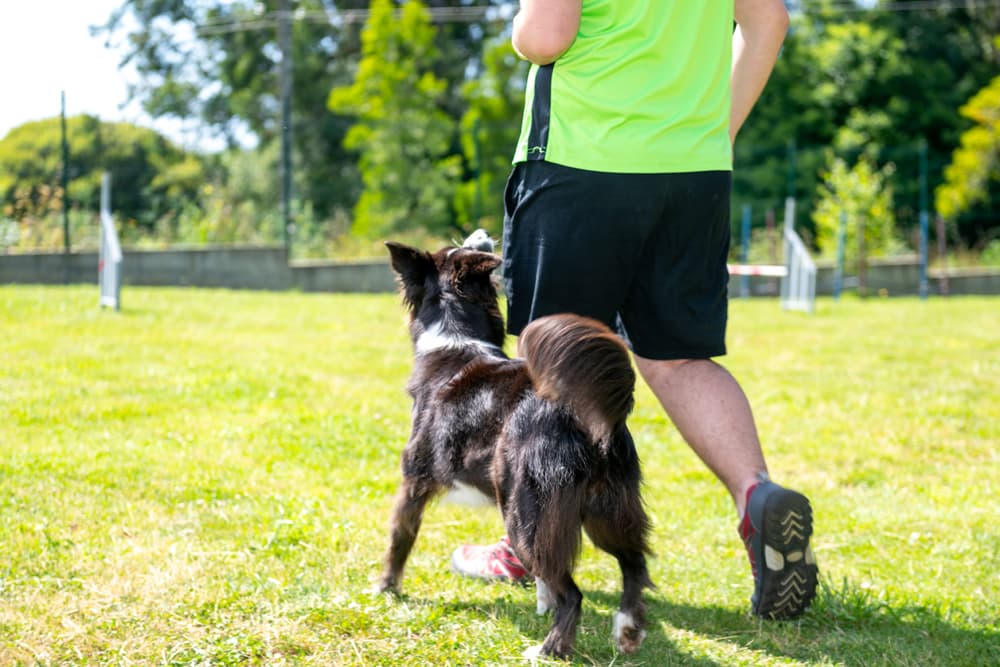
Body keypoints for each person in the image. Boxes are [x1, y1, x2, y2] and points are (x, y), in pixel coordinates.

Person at [449, 0, 819, 620]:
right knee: (679, 357)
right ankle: (757, 494)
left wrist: (517, 25)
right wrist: (715, 130)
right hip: (692, 171)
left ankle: (530, 546)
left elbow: (545, 37)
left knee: (551, 364)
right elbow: (769, 22)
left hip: (580, 161)